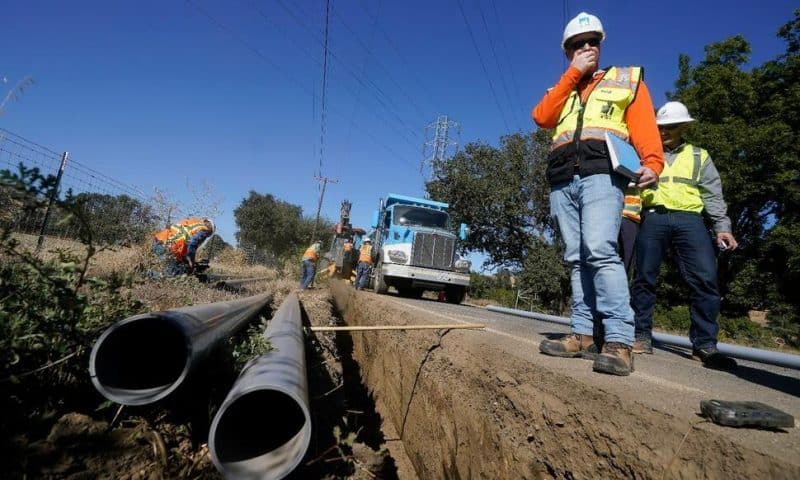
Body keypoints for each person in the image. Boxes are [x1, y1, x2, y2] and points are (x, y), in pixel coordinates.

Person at [532, 11, 664, 376]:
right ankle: (583, 334)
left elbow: (643, 125)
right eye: (578, 44)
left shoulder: (625, 81)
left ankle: (620, 340)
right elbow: (542, 117)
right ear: (568, 51)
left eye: (592, 42)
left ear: (601, 45)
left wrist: (653, 161)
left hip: (602, 177)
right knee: (576, 258)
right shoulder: (562, 89)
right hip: (562, 180)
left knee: (601, 251)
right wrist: (572, 74)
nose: (586, 47)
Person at [631, 101, 738, 370]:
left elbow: (713, 195)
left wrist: (722, 228)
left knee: (705, 279)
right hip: (653, 217)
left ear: (684, 128)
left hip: (690, 220)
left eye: (672, 127)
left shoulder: (699, 156)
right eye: (661, 127)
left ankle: (704, 345)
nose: (665, 132)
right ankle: (641, 335)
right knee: (644, 277)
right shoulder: (643, 154)